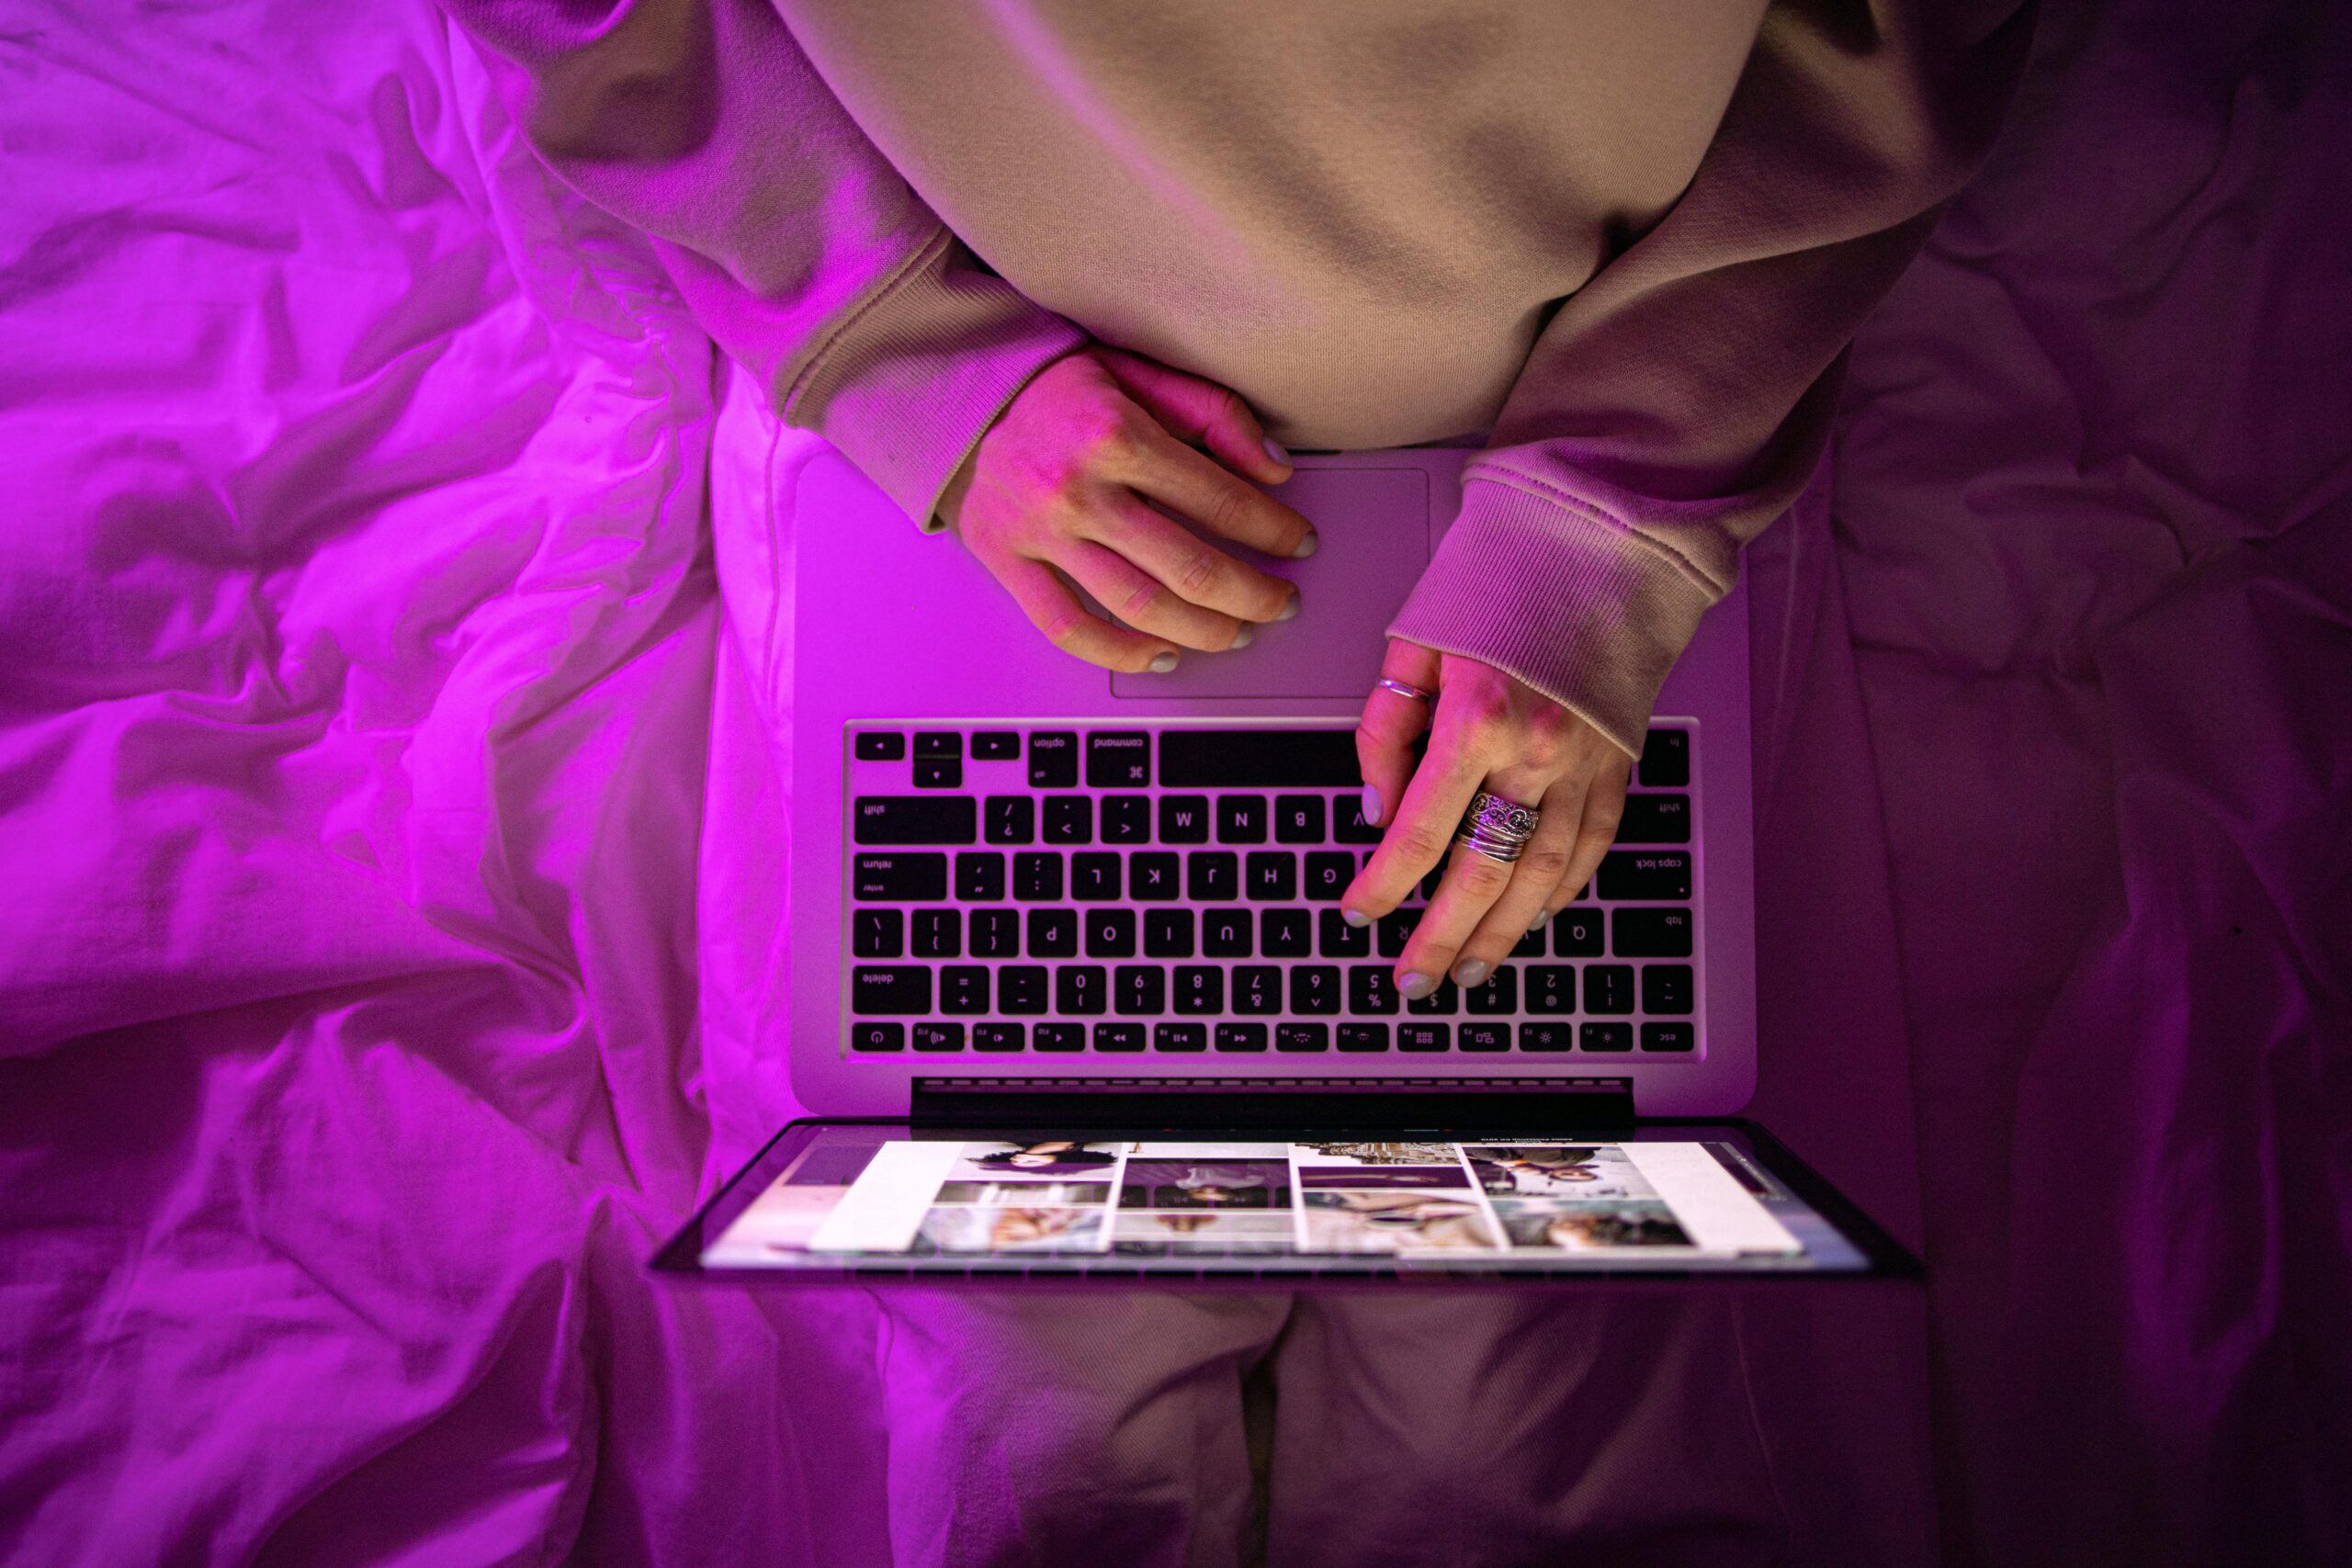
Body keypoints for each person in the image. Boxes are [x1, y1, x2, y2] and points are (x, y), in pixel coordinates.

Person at [443, 2, 2032, 1562]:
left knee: (1514, 1461)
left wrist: (1605, 517)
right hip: (974, 442)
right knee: (1038, 1460)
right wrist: (914, 351)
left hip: (1599, 415)